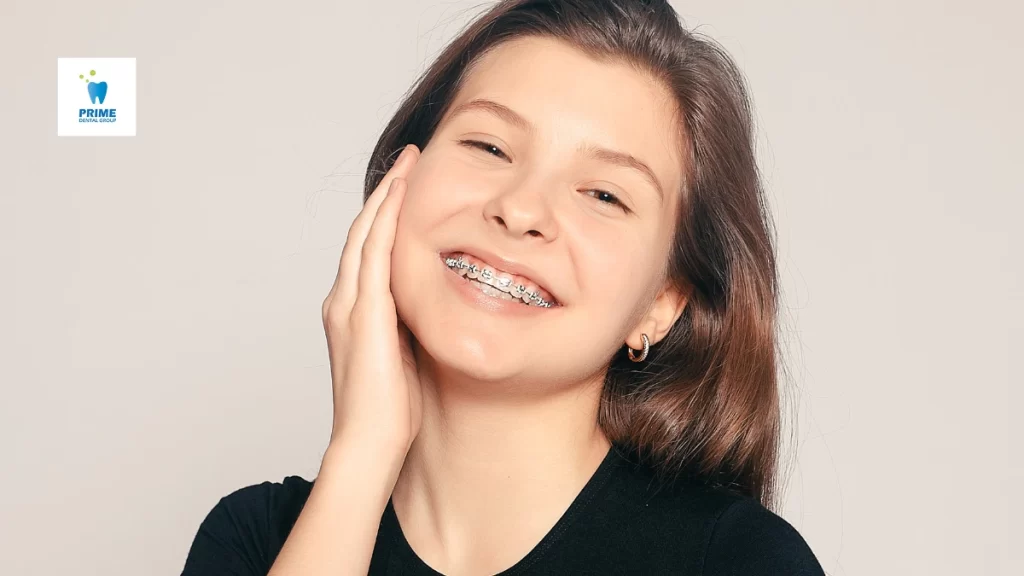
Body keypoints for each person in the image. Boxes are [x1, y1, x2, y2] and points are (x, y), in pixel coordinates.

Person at [181, 0, 825, 574]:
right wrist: (362, 455)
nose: (520, 210)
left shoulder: (736, 560)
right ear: (398, 181)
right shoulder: (256, 540)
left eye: (603, 194)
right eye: (489, 147)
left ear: (661, 303)